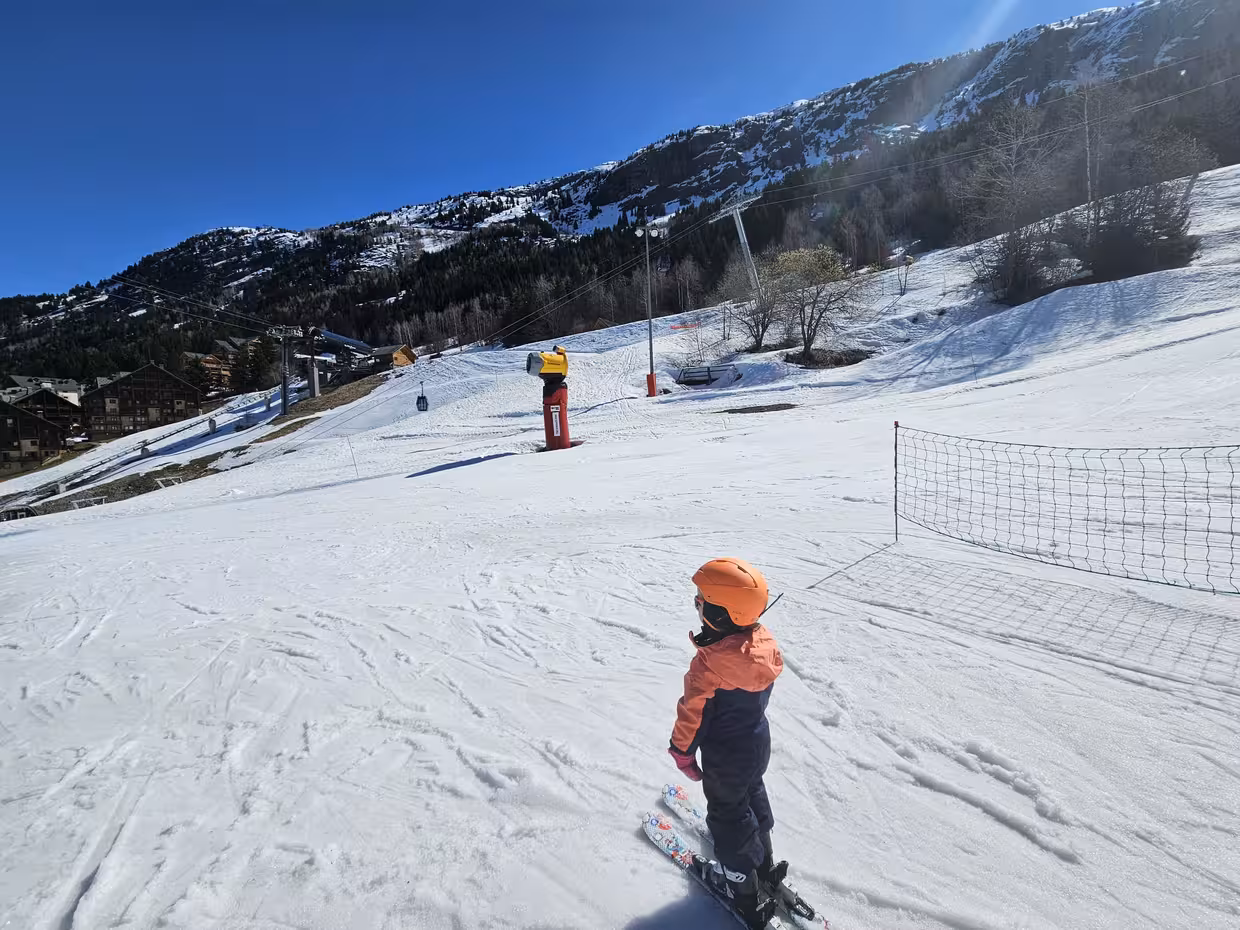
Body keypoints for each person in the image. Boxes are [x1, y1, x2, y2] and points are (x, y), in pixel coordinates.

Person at [667, 557, 785, 929]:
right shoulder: (762, 644)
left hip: (725, 756)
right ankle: (763, 864)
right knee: (751, 791)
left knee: (727, 813)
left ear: (720, 614)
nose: (696, 605)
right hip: (756, 744)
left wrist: (682, 752)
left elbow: (692, 715)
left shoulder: (709, 667)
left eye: (700, 601)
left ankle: (742, 888)